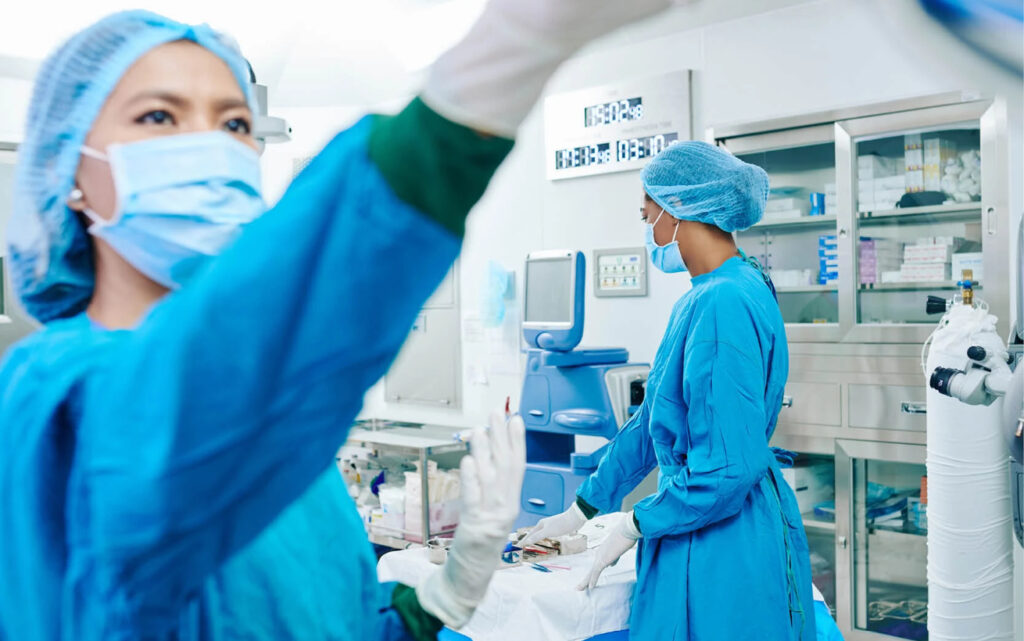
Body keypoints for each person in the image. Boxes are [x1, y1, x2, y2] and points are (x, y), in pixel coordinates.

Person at [0, 3, 674, 640]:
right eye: (157, 117)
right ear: (67, 171)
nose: (207, 144)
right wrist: (486, 76)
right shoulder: (54, 395)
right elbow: (208, 385)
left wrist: (446, 589)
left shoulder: (289, 447)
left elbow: (329, 619)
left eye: (235, 124)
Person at [522, 141, 818, 640]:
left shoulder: (725, 301)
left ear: (678, 210)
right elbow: (651, 423)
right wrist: (582, 509)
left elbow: (726, 467)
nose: (647, 230)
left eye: (647, 214)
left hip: (724, 540)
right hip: (696, 521)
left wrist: (637, 521)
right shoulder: (709, 294)